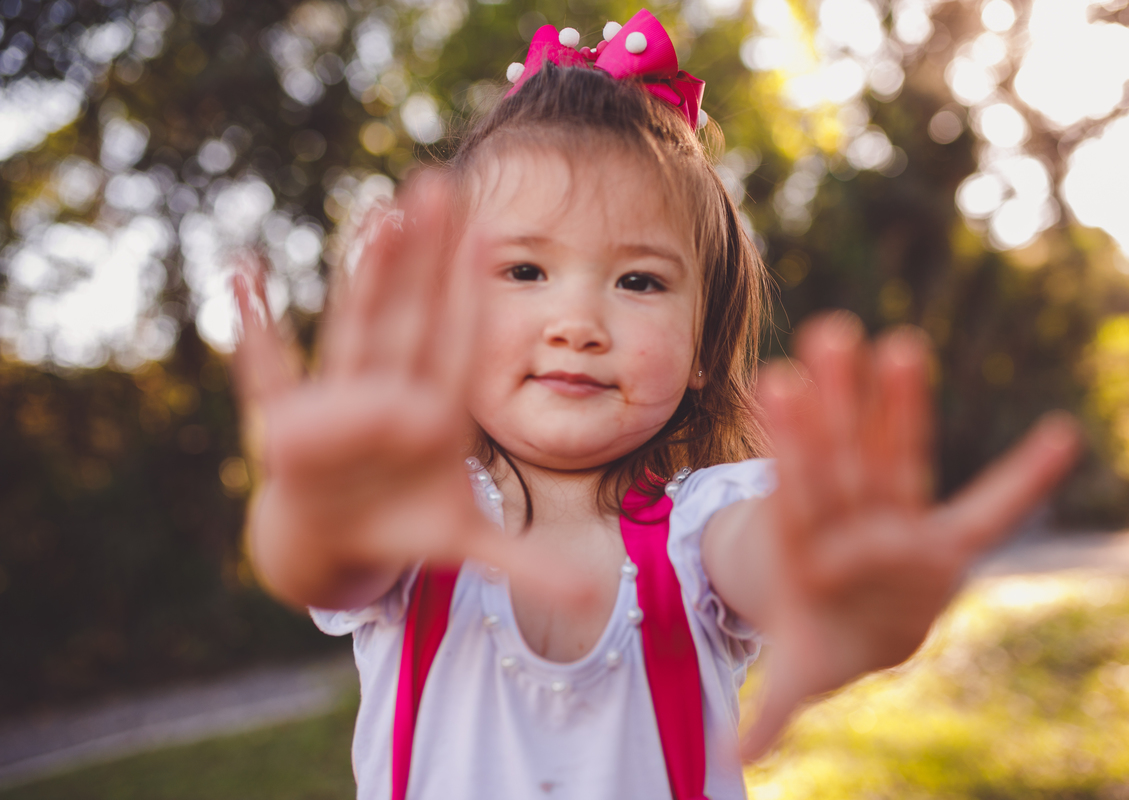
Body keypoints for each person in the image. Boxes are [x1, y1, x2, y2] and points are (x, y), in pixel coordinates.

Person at [230, 10, 1081, 800]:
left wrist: (837, 586)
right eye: (525, 271)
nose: (577, 324)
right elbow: (317, 560)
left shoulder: (705, 532)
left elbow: (774, 558)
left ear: (706, 349)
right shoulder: (414, 514)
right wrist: (312, 506)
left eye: (639, 280)